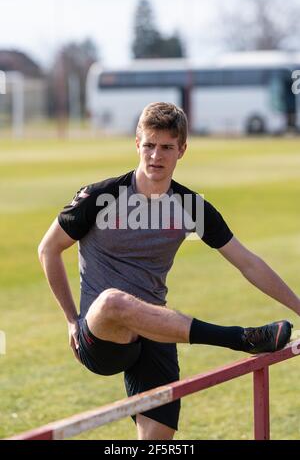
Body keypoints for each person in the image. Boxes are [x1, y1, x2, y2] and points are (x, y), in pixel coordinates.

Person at [38, 102, 299, 440]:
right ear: (136, 144)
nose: (155, 156)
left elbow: (247, 262)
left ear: (182, 150)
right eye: (148, 145)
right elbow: (48, 249)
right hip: (102, 335)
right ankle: (241, 338)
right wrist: (72, 320)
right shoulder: (101, 197)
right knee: (113, 302)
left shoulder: (190, 207)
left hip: (155, 333)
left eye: (166, 147)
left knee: (157, 444)